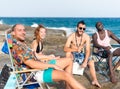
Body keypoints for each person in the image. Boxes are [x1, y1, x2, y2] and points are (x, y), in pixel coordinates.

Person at [11, 24, 86, 89]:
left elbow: (34, 56)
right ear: (13, 33)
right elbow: (32, 64)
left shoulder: (21, 44)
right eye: (19, 30)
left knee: (69, 61)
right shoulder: (17, 48)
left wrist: (50, 58)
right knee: (66, 75)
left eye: (24, 30)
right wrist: (51, 65)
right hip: (33, 74)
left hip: (38, 68)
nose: (23, 32)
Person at [64, 20, 101, 88]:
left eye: (84, 29)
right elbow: (65, 48)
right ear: (77, 28)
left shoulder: (86, 37)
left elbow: (87, 50)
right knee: (68, 54)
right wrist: (75, 49)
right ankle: (69, 79)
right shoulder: (71, 36)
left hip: (81, 55)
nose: (82, 30)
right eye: (80, 28)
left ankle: (95, 80)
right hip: (73, 53)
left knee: (91, 62)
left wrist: (85, 61)